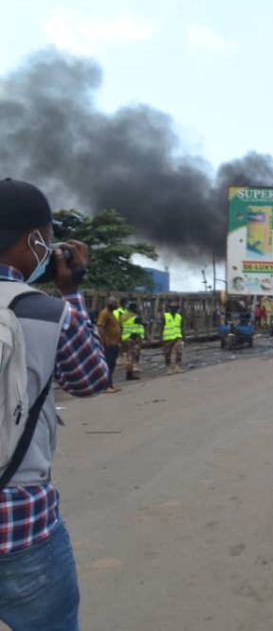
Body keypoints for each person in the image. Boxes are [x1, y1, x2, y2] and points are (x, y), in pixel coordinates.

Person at [0, 177, 109, 630]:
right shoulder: (45, 312)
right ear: (37, 241)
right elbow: (91, 379)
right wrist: (72, 292)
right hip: (21, 528)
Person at [95, 296, 123, 394]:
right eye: (114, 303)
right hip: (109, 344)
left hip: (114, 343)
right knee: (108, 365)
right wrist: (105, 340)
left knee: (111, 365)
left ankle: (110, 385)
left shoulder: (111, 313)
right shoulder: (104, 313)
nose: (116, 305)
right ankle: (105, 386)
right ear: (109, 303)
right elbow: (100, 327)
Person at [120, 302, 145, 381]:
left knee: (128, 356)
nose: (138, 309)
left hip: (125, 338)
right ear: (134, 308)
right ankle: (129, 374)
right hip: (133, 338)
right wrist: (140, 313)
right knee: (131, 357)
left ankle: (129, 373)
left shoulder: (123, 316)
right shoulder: (135, 317)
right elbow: (144, 323)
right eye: (137, 308)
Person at [162, 301, 184, 375]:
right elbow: (162, 327)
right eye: (173, 308)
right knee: (167, 354)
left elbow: (181, 327)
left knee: (179, 352)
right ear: (170, 308)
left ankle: (177, 367)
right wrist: (160, 338)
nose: (174, 309)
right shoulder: (165, 316)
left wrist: (184, 336)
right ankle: (168, 368)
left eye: (176, 308)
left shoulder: (179, 316)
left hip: (177, 336)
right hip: (168, 338)